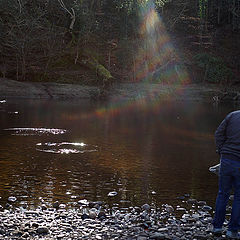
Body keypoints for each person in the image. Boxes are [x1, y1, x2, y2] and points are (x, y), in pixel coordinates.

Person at [213, 110, 240, 238]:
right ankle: (232, 231)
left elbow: (218, 134)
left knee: (223, 193)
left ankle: (217, 227)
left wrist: (221, 151)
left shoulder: (232, 115)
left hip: (226, 159)